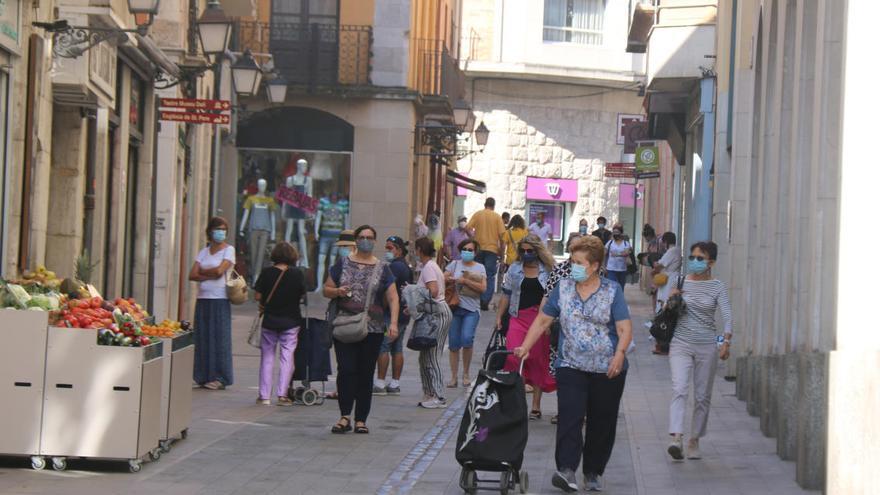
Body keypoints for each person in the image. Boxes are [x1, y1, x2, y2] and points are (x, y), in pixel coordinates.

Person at [513, 235, 632, 492]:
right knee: (570, 416)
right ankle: (566, 470)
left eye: (579, 262)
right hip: (571, 364)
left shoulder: (613, 291)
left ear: (595, 265)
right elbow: (543, 320)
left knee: (602, 422)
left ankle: (593, 471)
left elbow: (624, 328)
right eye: (572, 261)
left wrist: (620, 354)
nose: (573, 267)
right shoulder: (563, 288)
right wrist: (525, 346)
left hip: (607, 368)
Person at [324, 225, 400, 434]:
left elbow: (393, 297)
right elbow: (326, 289)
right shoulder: (343, 263)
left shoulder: (383, 268)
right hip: (345, 324)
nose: (365, 240)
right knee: (346, 370)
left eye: (369, 237)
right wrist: (337, 291)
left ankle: (361, 419)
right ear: (356, 240)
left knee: (366, 373)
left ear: (374, 241)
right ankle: (344, 416)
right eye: (362, 237)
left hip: (372, 328)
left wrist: (393, 323)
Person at [667, 241, 732, 461]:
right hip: (680, 343)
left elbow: (727, 316)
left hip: (706, 345)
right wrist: (672, 298)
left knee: (702, 396)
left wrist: (725, 341)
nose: (694, 262)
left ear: (711, 262)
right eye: (692, 257)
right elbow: (666, 310)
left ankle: (694, 439)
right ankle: (676, 437)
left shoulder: (717, 286)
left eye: (700, 258)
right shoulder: (680, 280)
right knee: (679, 388)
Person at [497, 234, 556, 420]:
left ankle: (536, 406)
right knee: (513, 357)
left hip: (539, 319)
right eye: (522, 251)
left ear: (537, 251)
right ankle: (518, 401)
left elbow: (554, 297)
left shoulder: (547, 270)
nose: (525, 254)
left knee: (537, 361)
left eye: (530, 251)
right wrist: (499, 316)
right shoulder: (514, 269)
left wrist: (550, 321)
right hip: (517, 317)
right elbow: (506, 294)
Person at [253, 242, 306, 406]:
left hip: (270, 320)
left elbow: (257, 296)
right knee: (287, 356)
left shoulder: (267, 273)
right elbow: (303, 296)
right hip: (291, 321)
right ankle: (283, 395)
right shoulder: (297, 274)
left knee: (267, 357)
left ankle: (264, 396)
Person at [189, 217, 236, 390]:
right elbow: (192, 274)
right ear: (210, 231)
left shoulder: (229, 251)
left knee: (220, 338)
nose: (221, 232)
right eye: (218, 229)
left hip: (220, 298)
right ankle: (202, 375)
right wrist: (207, 273)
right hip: (203, 298)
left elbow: (219, 271)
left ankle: (220, 377)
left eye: (224, 229)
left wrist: (204, 272)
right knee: (203, 337)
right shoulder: (204, 251)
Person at [413, 237, 454, 408]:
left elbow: (434, 292)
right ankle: (429, 392)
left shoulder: (429, 267)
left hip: (437, 313)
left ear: (419, 250)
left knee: (432, 355)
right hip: (434, 312)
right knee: (424, 356)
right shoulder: (430, 266)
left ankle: (438, 395)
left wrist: (417, 299)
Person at [444, 238, 487, 388]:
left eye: (470, 250)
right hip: (455, 308)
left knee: (467, 339)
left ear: (475, 252)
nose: (467, 252)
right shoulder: (454, 264)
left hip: (472, 310)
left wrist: (465, 281)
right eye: (464, 249)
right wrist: (451, 278)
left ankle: (466, 374)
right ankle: (454, 376)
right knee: (454, 343)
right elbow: (443, 278)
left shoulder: (480, 267)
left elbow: (483, 288)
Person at [374, 235, 413, 396]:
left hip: (392, 314)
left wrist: (381, 307)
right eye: (386, 248)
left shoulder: (395, 267)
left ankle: (380, 383)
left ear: (398, 250)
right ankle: (395, 383)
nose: (387, 251)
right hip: (403, 313)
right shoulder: (405, 266)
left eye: (390, 248)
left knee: (384, 346)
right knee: (397, 348)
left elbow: (387, 290)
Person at [466, 197, 506, 310]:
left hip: (478, 249)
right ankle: (485, 300)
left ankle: (476, 299)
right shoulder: (497, 217)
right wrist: (502, 255)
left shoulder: (478, 214)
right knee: (489, 276)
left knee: (477, 274)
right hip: (492, 251)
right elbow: (503, 239)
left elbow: (467, 228)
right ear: (494, 206)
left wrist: (473, 238)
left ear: (485, 204)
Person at [604, 224, 632, 291]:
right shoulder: (610, 243)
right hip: (611, 269)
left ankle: (619, 300)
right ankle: (612, 300)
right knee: (612, 286)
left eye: (617, 232)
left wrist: (617, 254)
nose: (615, 234)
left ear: (621, 233)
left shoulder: (625, 243)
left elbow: (626, 253)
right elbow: (604, 254)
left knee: (620, 287)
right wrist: (603, 266)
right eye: (614, 233)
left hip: (622, 269)